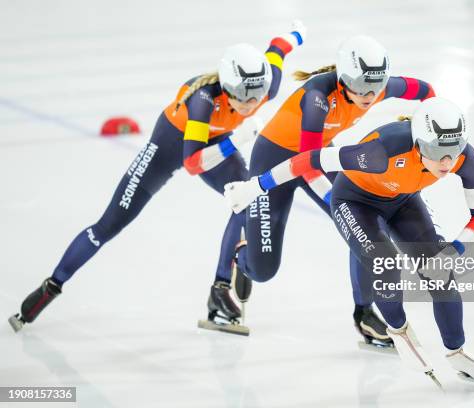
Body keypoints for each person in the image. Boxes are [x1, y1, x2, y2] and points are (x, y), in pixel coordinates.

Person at [8, 22, 307, 334]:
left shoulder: (265, 85)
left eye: (256, 95)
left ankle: (219, 292)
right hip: (172, 144)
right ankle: (52, 286)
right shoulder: (203, 100)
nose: (250, 103)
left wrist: (297, 34)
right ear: (227, 87)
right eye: (243, 96)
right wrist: (238, 138)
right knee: (109, 225)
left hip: (214, 142)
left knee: (246, 199)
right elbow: (192, 163)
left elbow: (278, 47)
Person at [225, 97, 474, 385]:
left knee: (440, 270)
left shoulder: (466, 158)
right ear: (418, 144)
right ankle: (398, 330)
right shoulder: (379, 152)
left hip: (403, 201)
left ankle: (457, 351)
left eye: (453, 152)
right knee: (385, 264)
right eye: (436, 151)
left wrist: (453, 250)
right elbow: (309, 159)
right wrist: (254, 187)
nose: (446, 162)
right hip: (355, 203)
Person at [218, 34, 436, 347]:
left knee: (361, 223)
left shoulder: (381, 86)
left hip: (318, 153)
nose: (369, 96)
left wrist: (423, 124)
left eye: (375, 88)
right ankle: (242, 256)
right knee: (263, 270)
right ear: (344, 78)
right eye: (361, 88)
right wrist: (334, 200)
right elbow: (307, 162)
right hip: (276, 159)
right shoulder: (317, 96)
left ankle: (364, 312)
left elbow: (428, 93)